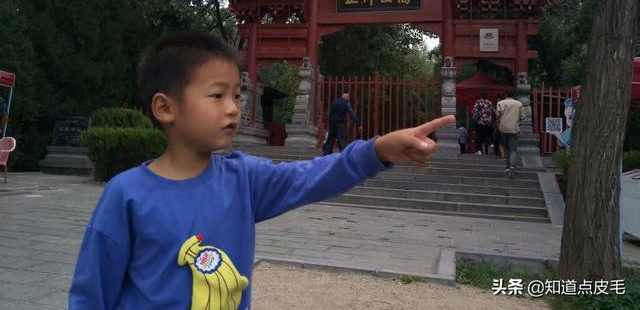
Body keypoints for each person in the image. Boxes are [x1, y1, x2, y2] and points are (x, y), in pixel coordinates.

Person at [69, 31, 455, 310]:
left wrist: (377, 149)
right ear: (165, 107)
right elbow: (91, 294)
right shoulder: (126, 194)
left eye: (236, 95)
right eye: (217, 95)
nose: (233, 107)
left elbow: (313, 176)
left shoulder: (245, 180)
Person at [496, 89, 525, 178]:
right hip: (514, 128)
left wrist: (498, 122)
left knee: (506, 147)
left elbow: (497, 114)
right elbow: (522, 116)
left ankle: (508, 166)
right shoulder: (519, 104)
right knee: (513, 149)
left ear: (505, 94)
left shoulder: (500, 103)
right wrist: (517, 122)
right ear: (514, 95)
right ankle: (512, 166)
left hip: (503, 128)